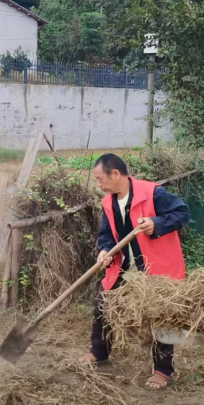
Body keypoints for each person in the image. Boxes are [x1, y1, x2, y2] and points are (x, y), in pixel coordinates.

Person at [79, 153, 190, 389]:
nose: (98, 184)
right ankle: (99, 352)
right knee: (103, 303)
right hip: (123, 267)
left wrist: (156, 223)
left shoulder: (153, 193)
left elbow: (182, 214)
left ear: (115, 174)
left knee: (160, 315)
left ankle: (163, 370)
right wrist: (104, 250)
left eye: (100, 179)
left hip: (156, 268)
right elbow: (106, 234)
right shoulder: (108, 203)